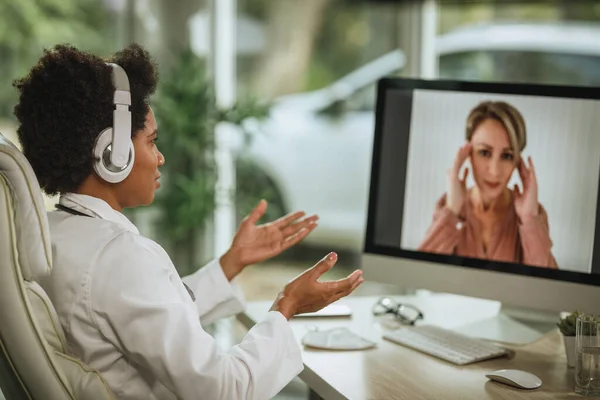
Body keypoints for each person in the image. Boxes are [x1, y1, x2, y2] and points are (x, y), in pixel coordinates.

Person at [12, 43, 363, 400]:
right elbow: (225, 389)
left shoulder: (52, 237)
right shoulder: (120, 256)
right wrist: (286, 306)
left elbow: (146, 317)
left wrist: (230, 264)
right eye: (152, 142)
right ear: (113, 155)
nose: (160, 157)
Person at [417, 100, 558, 269]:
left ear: (517, 162)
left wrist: (529, 219)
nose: (494, 171)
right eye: (484, 152)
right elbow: (419, 272)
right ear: (468, 154)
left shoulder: (531, 214)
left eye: (507, 156)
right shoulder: (449, 208)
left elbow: (545, 289)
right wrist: (452, 211)